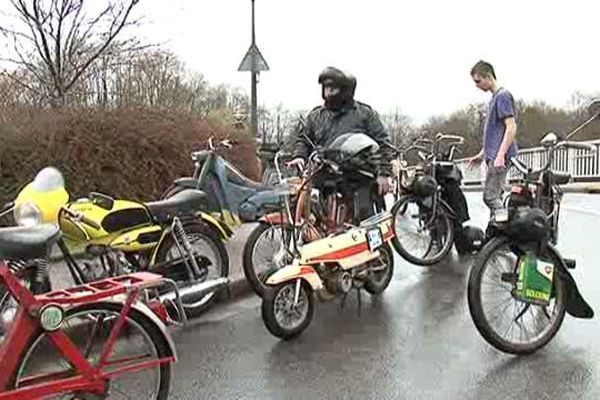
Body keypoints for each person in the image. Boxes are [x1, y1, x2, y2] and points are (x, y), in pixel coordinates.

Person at [288, 66, 393, 221]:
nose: (328, 92)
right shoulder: (316, 116)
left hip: (358, 177)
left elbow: (383, 143)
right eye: (326, 88)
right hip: (323, 174)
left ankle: (374, 243)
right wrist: (299, 156)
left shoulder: (364, 114)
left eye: (333, 88)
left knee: (366, 220)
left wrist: (384, 173)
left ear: (345, 90)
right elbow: (303, 139)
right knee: (300, 203)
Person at [467, 60, 518, 217]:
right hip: (493, 155)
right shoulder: (494, 99)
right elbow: (495, 133)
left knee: (490, 197)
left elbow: (511, 127)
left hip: (499, 156)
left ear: (488, 76)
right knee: (497, 196)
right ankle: (496, 235)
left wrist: (501, 154)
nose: (477, 85)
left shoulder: (503, 96)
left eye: (478, 81)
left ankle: (507, 228)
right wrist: (481, 155)